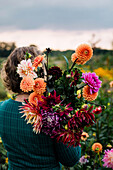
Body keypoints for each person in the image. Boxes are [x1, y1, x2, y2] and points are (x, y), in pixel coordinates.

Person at [0, 46, 81, 170]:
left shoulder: (2, 109)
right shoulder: (52, 114)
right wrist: (73, 126)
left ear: (10, 74)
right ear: (41, 72)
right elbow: (71, 159)